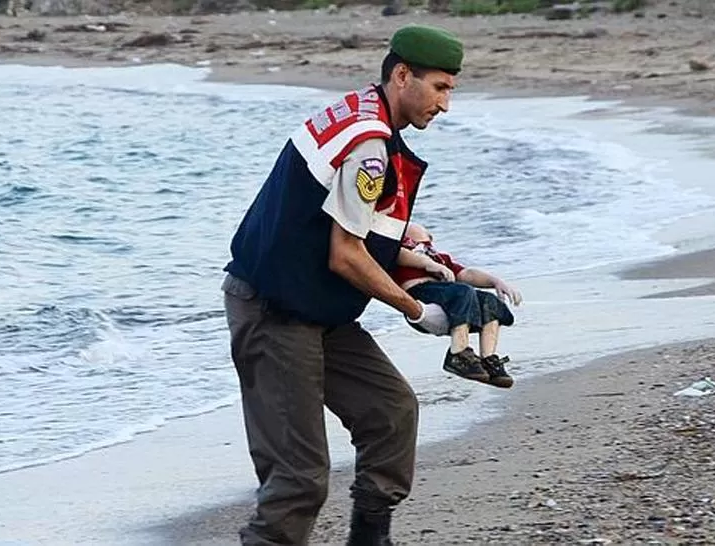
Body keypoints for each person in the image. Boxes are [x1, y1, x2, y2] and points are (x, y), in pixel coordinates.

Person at [221, 24, 464, 546]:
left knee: (391, 412)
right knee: (299, 479)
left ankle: (369, 540)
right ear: (403, 75)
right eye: (440, 88)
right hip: (273, 312)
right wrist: (416, 311)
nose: (445, 105)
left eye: (450, 90)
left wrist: (430, 264)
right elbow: (346, 255)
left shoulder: (363, 112)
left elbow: (349, 231)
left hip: (318, 310)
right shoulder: (370, 149)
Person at [392, 222, 522, 388]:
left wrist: (495, 282)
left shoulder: (441, 258)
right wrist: (427, 264)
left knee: (489, 301)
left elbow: (467, 274)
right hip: (419, 295)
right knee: (463, 291)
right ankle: (458, 353)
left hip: (449, 299)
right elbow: (396, 253)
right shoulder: (402, 252)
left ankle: (488, 360)